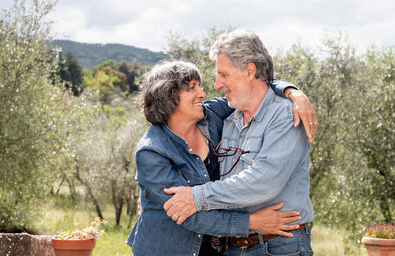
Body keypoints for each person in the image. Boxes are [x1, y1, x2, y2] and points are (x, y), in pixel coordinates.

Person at [126, 60, 317, 255]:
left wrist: (292, 92)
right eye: (192, 88)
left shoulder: (211, 116)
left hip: (213, 249)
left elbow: (254, 88)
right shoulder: (152, 151)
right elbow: (187, 215)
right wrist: (252, 222)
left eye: (199, 86)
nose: (202, 93)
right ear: (168, 96)